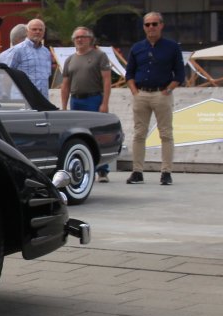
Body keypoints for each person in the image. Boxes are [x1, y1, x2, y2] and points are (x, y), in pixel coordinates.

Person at [125, 11, 186, 186]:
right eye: (147, 24)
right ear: (144, 27)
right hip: (141, 94)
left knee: (166, 134)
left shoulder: (172, 47)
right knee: (139, 134)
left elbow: (180, 74)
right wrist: (135, 92)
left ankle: (166, 172)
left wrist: (168, 90)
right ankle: (137, 172)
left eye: (154, 24)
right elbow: (129, 73)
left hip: (162, 94)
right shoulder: (137, 48)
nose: (151, 27)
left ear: (161, 25)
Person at [60, 26, 113, 182]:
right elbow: (65, 84)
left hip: (94, 99)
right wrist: (64, 106)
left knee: (98, 134)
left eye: (83, 37)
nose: (80, 40)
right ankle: (83, 168)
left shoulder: (99, 56)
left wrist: (104, 103)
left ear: (90, 39)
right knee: (78, 135)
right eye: (77, 37)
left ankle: (102, 170)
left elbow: (107, 80)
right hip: (76, 100)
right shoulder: (70, 59)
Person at [0, 18, 52, 94]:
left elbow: (46, 76)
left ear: (44, 33)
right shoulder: (17, 50)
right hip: (22, 98)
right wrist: (7, 95)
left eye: (40, 30)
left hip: (42, 98)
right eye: (34, 29)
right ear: (27, 32)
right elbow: (6, 75)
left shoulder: (46, 52)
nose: (38, 32)